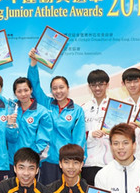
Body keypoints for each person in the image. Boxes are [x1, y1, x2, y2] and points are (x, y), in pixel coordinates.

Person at [27, 49, 86, 185]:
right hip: (47, 161)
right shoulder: (46, 104)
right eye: (54, 88)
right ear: (51, 91)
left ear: (68, 88)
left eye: (61, 87)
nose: (58, 91)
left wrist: (75, 162)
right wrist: (33, 63)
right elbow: (34, 87)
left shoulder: (77, 111)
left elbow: (79, 139)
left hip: (67, 163)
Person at [6, 77, 53, 168]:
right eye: (19, 91)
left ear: (31, 90)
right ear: (15, 93)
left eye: (26, 90)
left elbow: (44, 139)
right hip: (12, 160)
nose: (23, 94)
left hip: (31, 161)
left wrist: (32, 155)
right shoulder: (11, 109)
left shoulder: (42, 112)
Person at [81, 69, 112, 185]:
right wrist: (90, 135)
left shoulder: (116, 107)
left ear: (107, 85)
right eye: (93, 85)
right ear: (89, 87)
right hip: (89, 164)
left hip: (110, 163)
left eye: (101, 84)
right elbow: (77, 135)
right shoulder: (83, 108)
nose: (97, 88)